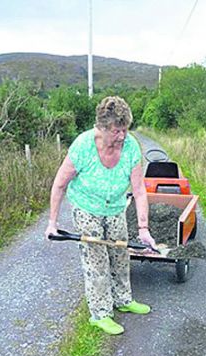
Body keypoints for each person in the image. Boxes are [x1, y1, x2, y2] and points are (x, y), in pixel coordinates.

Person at [45, 95, 156, 335]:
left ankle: (123, 299)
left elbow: (138, 190)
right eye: (117, 131)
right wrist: (52, 223)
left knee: (120, 253)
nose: (122, 136)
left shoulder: (130, 147)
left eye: (125, 129)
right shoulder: (83, 146)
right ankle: (100, 313)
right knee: (96, 259)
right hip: (87, 207)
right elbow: (59, 184)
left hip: (116, 206)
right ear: (102, 128)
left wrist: (144, 229)